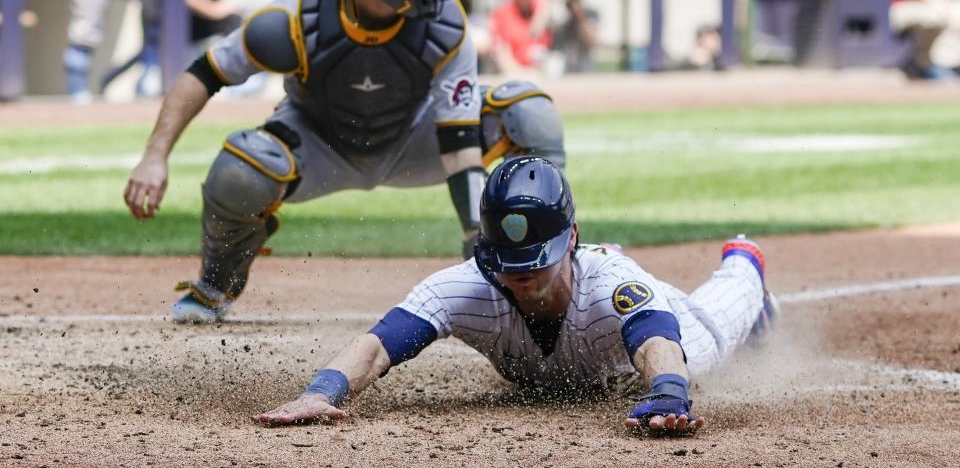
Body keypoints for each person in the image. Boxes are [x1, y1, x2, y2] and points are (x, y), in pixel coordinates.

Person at [123, 0, 565, 324]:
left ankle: (560, 260)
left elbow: (462, 141)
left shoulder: (445, 21)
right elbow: (205, 72)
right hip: (320, 145)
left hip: (413, 141)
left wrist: (477, 238)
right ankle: (214, 286)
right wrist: (154, 156)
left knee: (528, 112)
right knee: (240, 169)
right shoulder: (295, 18)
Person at [255, 156, 779, 433]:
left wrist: (667, 392)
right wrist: (321, 392)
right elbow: (378, 345)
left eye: (537, 260)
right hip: (598, 311)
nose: (521, 276)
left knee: (718, 321)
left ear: (570, 239)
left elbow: (657, 341)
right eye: (510, 263)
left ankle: (743, 263)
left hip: (672, 328)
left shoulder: (610, 286)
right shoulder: (465, 286)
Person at [489, 0, 553, 74]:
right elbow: (500, 49)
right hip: (514, 72)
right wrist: (518, 72)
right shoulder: (503, 12)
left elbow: (536, 33)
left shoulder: (540, 9)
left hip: (541, 72)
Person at [550, 0, 598, 74]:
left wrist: (576, 10)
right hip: (560, 70)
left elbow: (591, 39)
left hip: (583, 70)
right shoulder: (558, 7)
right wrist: (555, 0)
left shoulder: (590, 10)